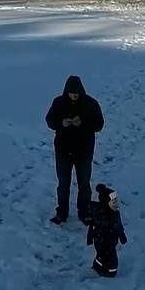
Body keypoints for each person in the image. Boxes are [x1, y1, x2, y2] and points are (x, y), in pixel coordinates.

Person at [45, 75, 104, 225]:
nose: (74, 95)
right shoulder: (58, 102)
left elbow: (99, 124)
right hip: (63, 150)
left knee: (84, 183)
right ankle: (62, 212)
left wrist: (83, 123)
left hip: (83, 150)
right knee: (63, 183)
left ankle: (85, 211)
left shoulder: (90, 104)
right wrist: (61, 123)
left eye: (76, 92)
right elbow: (49, 120)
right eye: (71, 92)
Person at [87, 184, 127, 277]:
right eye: (113, 202)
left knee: (107, 256)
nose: (116, 205)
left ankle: (106, 268)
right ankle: (107, 270)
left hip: (111, 241)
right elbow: (92, 224)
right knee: (105, 256)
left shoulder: (115, 214)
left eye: (116, 202)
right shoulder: (98, 212)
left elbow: (119, 226)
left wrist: (122, 235)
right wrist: (90, 236)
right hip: (100, 240)